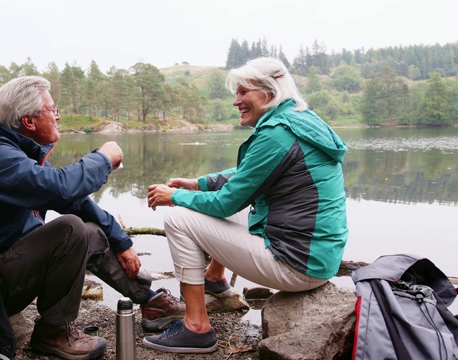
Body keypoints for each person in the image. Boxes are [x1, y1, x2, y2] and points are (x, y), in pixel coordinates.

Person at [0, 76, 184, 359]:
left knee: (90, 231)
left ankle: (151, 302)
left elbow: (71, 200)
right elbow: (61, 186)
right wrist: (103, 158)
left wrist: (120, 240)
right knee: (70, 230)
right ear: (29, 121)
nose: (58, 116)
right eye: (52, 109)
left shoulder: (15, 152)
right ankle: (53, 332)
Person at [143, 57, 349, 354]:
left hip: (298, 265)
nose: (236, 101)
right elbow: (249, 175)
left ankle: (196, 327)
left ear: (269, 92)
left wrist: (173, 197)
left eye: (243, 92)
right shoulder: (298, 119)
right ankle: (214, 280)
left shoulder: (278, 133)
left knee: (179, 218)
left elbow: (227, 202)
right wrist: (198, 183)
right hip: (317, 257)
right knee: (235, 205)